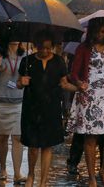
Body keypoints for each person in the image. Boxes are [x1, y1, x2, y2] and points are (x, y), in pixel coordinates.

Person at [67, 17, 104, 187]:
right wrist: (79, 83)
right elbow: (74, 73)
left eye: (103, 31)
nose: (100, 34)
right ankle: (92, 176)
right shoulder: (83, 48)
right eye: (97, 31)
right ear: (91, 31)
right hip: (89, 94)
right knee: (90, 136)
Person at [17, 30, 76, 187]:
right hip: (31, 107)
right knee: (33, 147)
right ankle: (31, 174)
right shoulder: (27, 61)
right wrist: (21, 82)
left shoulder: (58, 62)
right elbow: (18, 83)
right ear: (36, 46)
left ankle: (43, 181)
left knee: (47, 146)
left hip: (51, 108)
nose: (45, 51)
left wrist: (78, 88)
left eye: (48, 48)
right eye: (42, 48)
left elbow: (64, 83)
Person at [0, 41, 26, 183]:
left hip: (19, 101)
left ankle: (17, 173)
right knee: (2, 137)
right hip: (0, 101)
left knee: (17, 137)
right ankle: (2, 168)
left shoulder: (26, 55)